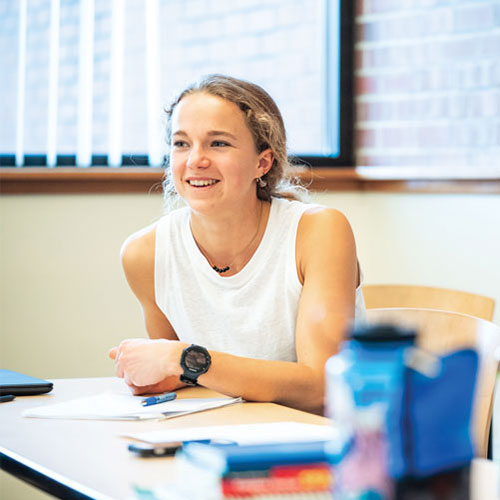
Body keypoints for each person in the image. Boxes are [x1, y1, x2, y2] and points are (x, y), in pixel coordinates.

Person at [109, 74, 365, 415]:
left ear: (263, 162)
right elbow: (185, 381)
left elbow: (321, 386)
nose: (195, 160)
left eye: (218, 144)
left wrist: (183, 359)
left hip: (322, 442)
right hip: (224, 437)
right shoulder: (145, 254)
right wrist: (164, 373)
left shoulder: (319, 231)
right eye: (181, 143)